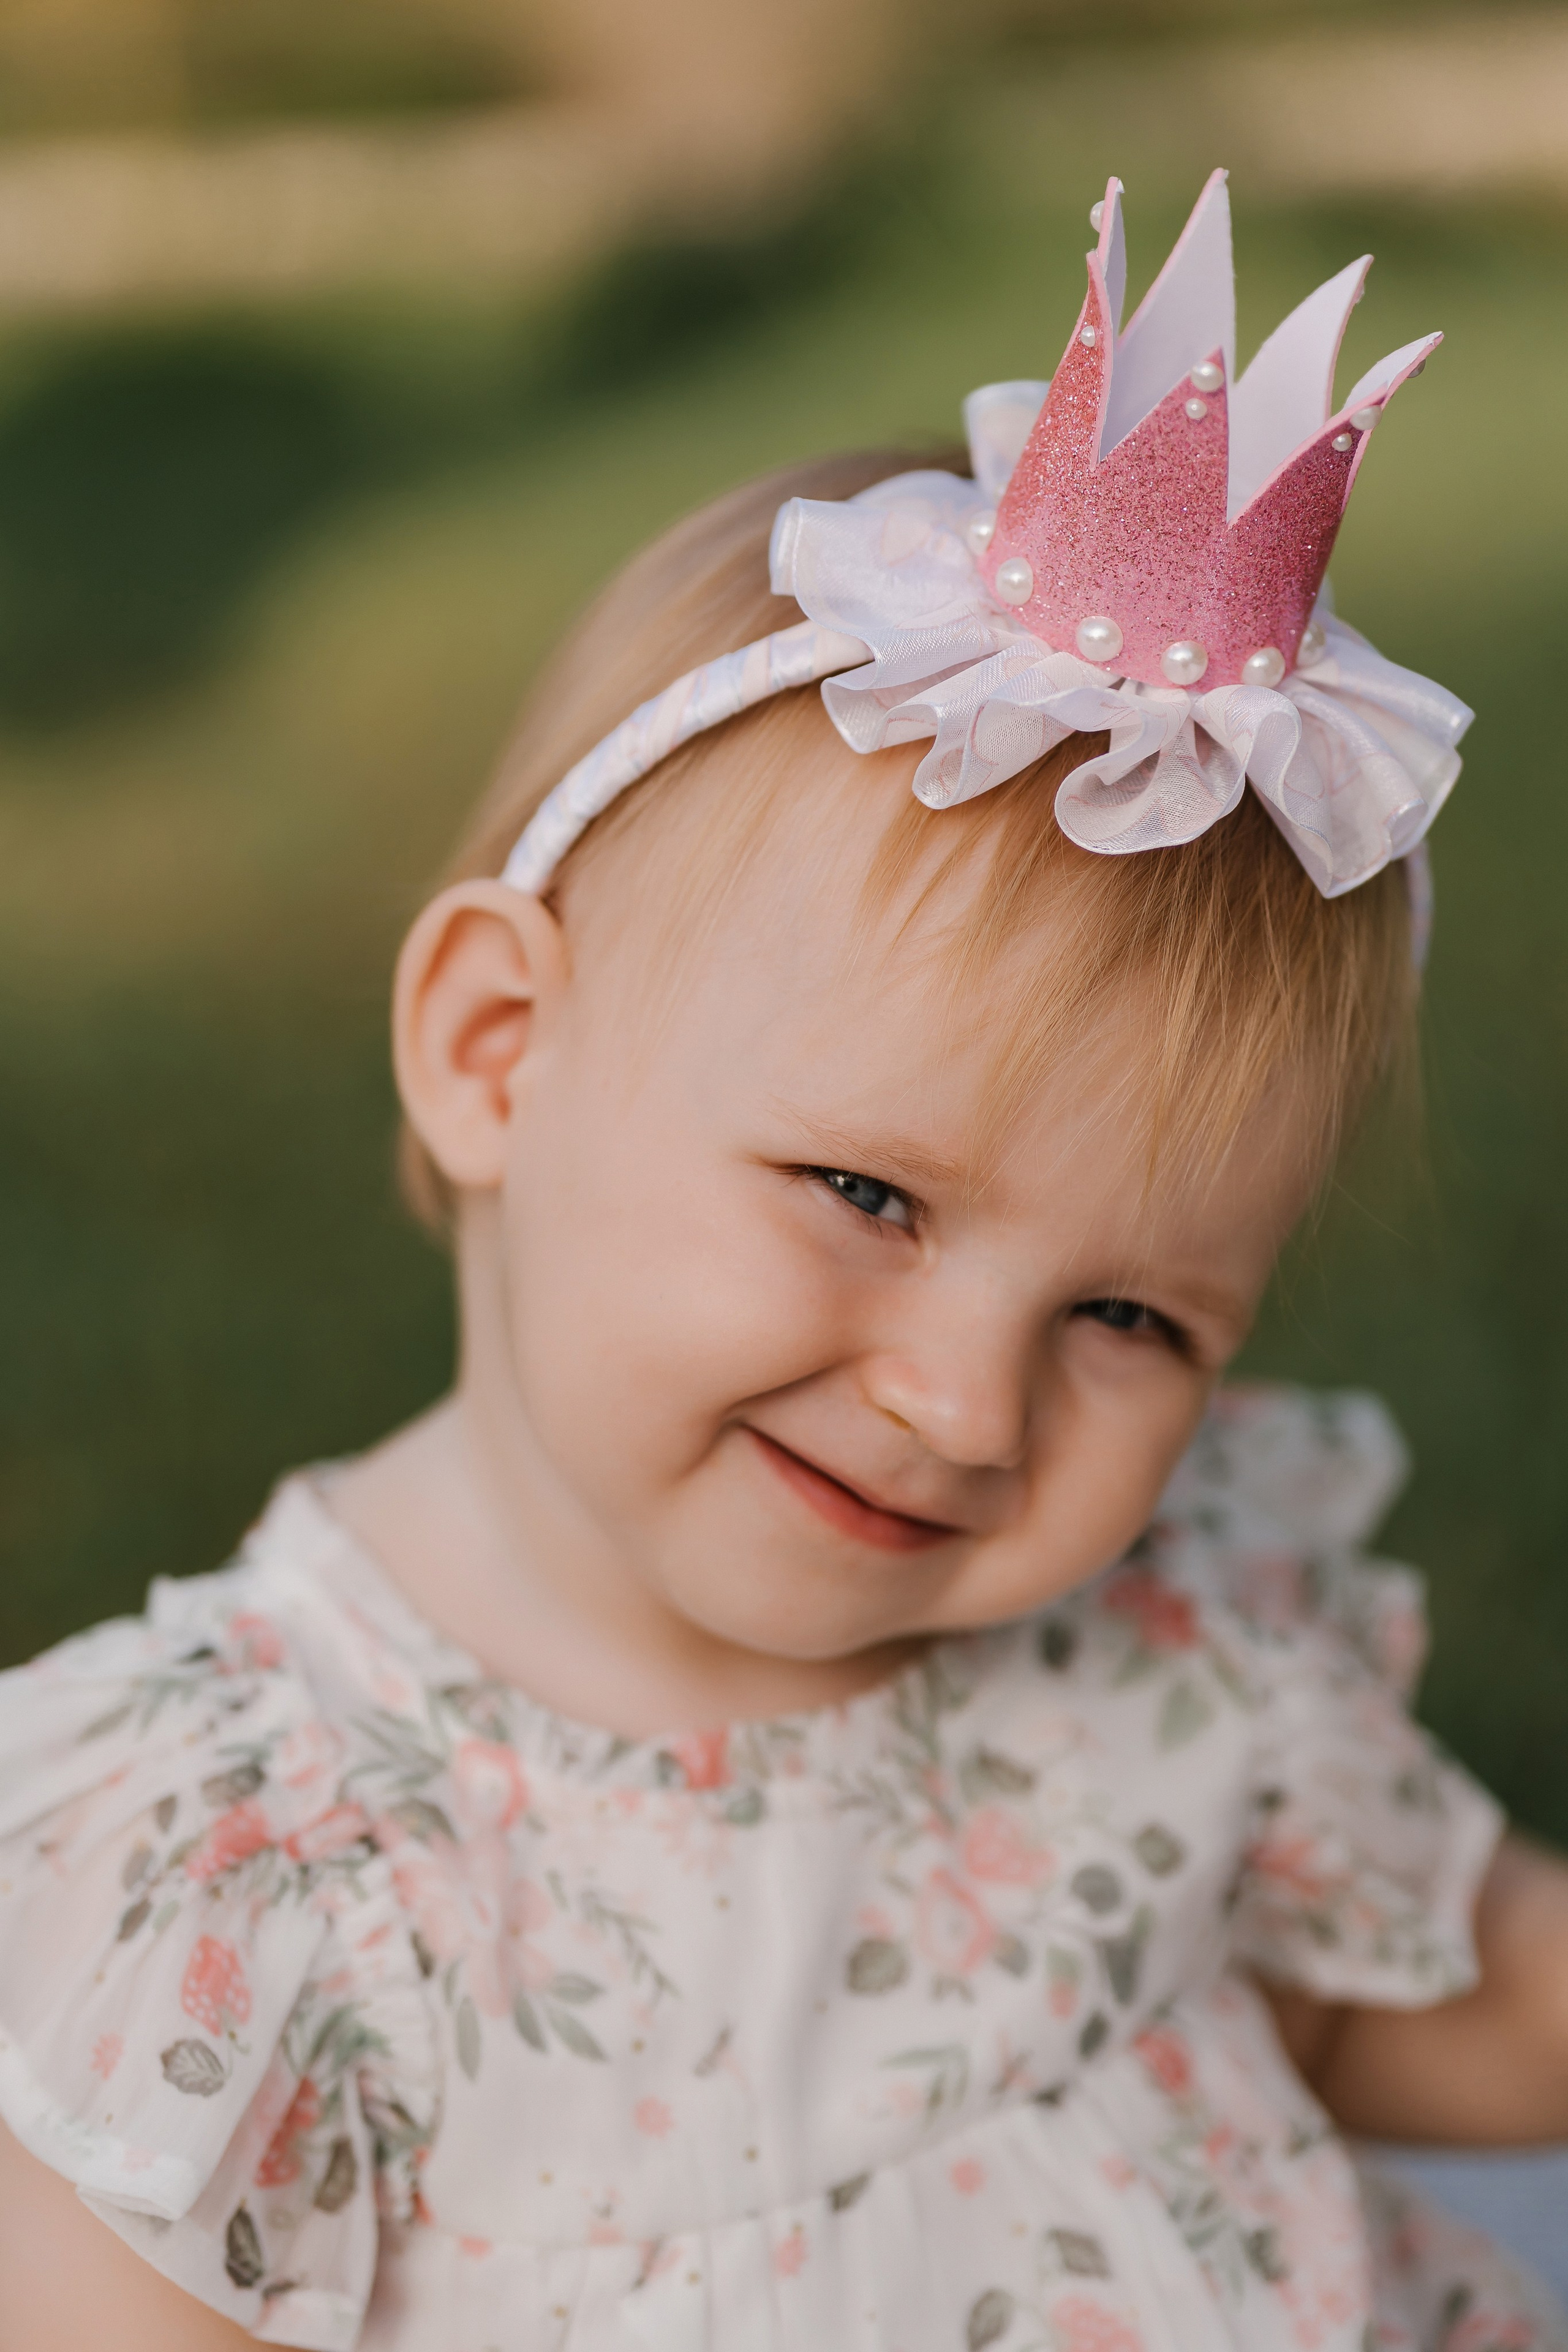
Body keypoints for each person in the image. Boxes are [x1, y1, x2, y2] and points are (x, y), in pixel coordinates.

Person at [2, 172, 1566, 2352]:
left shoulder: (1163, 1641)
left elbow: (1427, 2007)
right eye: (869, 1198)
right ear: (496, 1052)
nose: (968, 1403)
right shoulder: (235, 1866)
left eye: (1130, 1316)